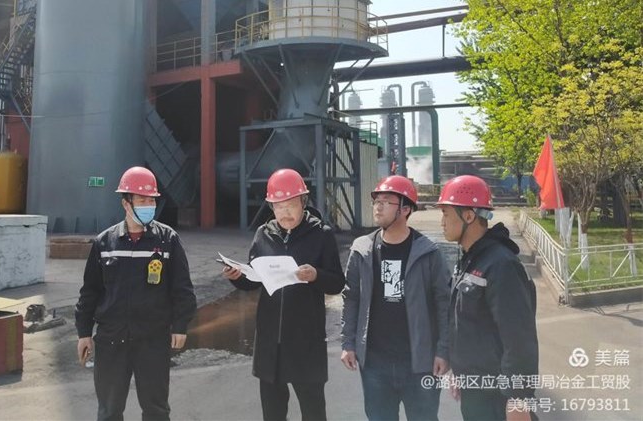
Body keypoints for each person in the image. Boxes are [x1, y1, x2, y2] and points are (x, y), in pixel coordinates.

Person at [222, 168, 345, 421]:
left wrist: (316, 275)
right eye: (278, 207)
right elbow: (253, 280)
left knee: (313, 411)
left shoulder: (321, 235)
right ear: (271, 206)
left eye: (290, 205)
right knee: (273, 412)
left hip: (305, 341)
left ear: (303, 202)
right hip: (270, 344)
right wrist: (237, 277)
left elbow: (337, 283)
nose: (285, 213)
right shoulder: (263, 235)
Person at [75, 166, 197, 421]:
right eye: (142, 201)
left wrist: (180, 325)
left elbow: (182, 288)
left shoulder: (167, 240)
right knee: (109, 411)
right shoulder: (105, 243)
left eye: (152, 201)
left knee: (156, 410)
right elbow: (90, 292)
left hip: (152, 341)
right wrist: (84, 332)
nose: (149, 206)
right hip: (111, 341)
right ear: (126, 203)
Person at [341, 175, 451, 421]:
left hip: (420, 363)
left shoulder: (428, 253)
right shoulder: (362, 250)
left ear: (405, 209)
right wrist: (348, 343)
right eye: (376, 201)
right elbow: (351, 298)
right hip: (374, 364)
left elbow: (444, 304)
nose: (378, 207)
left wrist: (443, 351)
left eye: (386, 201)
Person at [436, 175, 538, 421]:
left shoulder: (501, 265)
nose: (442, 222)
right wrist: (460, 372)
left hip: (498, 397)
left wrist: (517, 399)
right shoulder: (470, 259)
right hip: (476, 391)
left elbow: (519, 339)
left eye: (446, 214)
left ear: (468, 216)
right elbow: (464, 323)